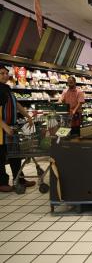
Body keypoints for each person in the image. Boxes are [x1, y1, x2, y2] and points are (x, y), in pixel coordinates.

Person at [0, 64, 36, 192]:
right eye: (2, 73)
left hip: (12, 127)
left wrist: (28, 116)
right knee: (1, 156)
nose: (5, 75)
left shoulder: (7, 88)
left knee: (15, 155)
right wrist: (4, 126)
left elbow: (16, 103)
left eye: (6, 73)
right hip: (1, 129)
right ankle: (2, 182)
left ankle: (19, 178)